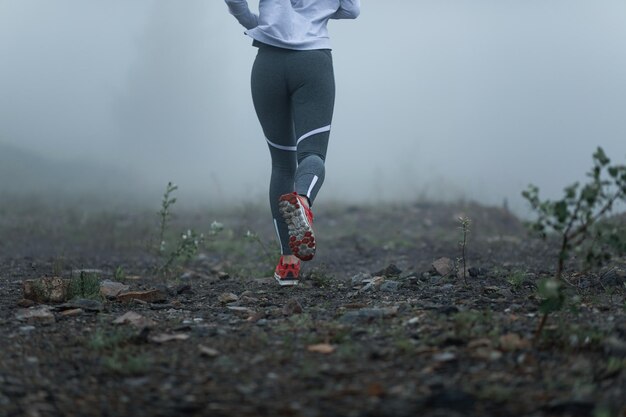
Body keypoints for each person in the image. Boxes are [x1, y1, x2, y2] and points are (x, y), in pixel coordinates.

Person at [224, 0, 360, 286]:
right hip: (313, 62)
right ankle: (302, 200)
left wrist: (252, 21)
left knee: (282, 164)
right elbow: (351, 10)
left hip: (268, 64)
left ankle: (288, 264)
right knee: (312, 154)